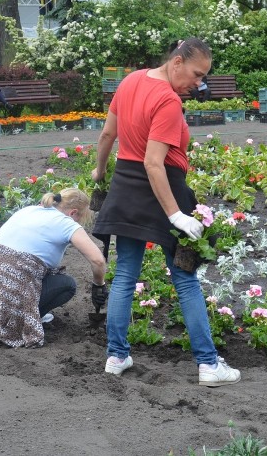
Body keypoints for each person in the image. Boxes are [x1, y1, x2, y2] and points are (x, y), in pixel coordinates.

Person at [91, 38, 241, 387]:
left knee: (126, 274)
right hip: (164, 189)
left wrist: (100, 171)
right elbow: (153, 163)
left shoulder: (129, 82)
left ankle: (116, 356)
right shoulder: (168, 101)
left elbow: (106, 134)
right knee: (185, 278)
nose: (198, 83)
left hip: (126, 189)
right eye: (196, 74)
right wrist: (176, 215)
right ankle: (208, 365)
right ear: (176, 62)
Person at [0, 188, 107, 348]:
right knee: (67, 285)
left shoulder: (29, 210)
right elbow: (98, 261)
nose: (78, 223)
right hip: (9, 277)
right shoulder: (66, 223)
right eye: (80, 219)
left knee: (35, 271)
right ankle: (19, 321)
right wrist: (99, 285)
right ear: (73, 213)